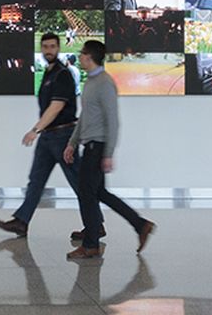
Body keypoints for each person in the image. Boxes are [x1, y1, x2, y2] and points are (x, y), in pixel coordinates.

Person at [62, 40, 155, 261]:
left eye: (82, 53)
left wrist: (108, 153)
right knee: (98, 193)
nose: (80, 56)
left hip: (98, 146)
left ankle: (91, 244)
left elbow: (113, 121)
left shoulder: (104, 83)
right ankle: (140, 224)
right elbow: (85, 116)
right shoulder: (91, 82)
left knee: (86, 193)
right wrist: (72, 142)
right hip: (89, 144)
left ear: (89, 57)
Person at [0, 33, 83, 239]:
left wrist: (35, 130)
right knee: (36, 180)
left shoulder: (62, 74)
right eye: (45, 46)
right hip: (49, 136)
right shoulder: (49, 73)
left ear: (58, 48)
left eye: (52, 46)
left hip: (62, 136)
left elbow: (56, 107)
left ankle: (95, 225)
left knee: (78, 183)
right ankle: (22, 221)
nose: (48, 50)